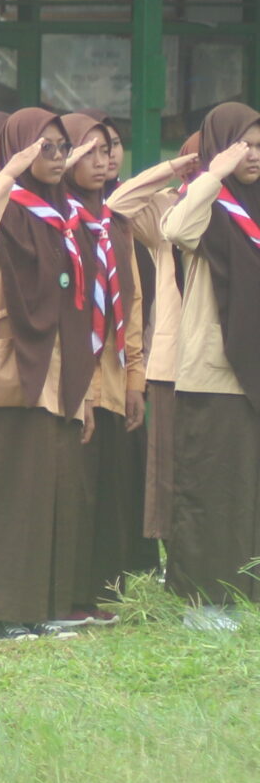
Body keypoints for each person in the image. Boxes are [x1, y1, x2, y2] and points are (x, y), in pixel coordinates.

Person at [0, 109, 98, 642]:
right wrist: (8, 173)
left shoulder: (67, 214)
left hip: (61, 371)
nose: (56, 158)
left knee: (48, 493)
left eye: (62, 149)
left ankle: (37, 606)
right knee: (9, 491)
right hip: (14, 371)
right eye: (45, 148)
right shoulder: (9, 206)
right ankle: (0, 614)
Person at [158, 103, 260, 629]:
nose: (254, 156)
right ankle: (203, 602)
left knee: (248, 492)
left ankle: (247, 592)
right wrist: (211, 174)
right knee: (211, 490)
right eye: (244, 146)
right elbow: (174, 228)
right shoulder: (209, 205)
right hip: (215, 372)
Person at [60, 113, 149, 626]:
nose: (100, 161)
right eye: (86, 151)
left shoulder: (114, 221)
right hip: (73, 378)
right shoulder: (56, 218)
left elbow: (130, 303)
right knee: (75, 486)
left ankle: (94, 592)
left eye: (107, 150)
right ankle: (67, 594)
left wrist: (135, 377)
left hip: (114, 376)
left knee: (105, 486)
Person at [110, 139, 200, 574]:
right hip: (174, 358)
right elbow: (118, 204)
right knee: (170, 469)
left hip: (233, 356)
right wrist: (171, 168)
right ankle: (175, 564)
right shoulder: (169, 207)